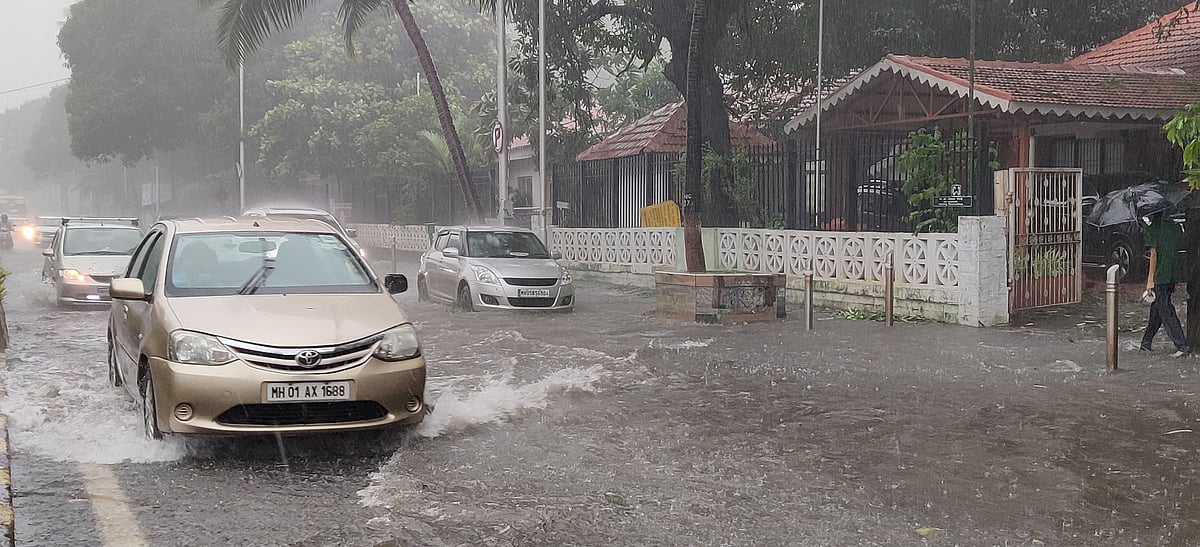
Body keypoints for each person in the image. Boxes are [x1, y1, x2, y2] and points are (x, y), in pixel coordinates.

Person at [1140, 211, 1190, 356]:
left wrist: (1150, 280)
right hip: (1172, 273)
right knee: (1158, 307)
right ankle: (1146, 342)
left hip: (1161, 275)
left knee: (1166, 309)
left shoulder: (1153, 229)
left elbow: (1154, 255)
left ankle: (1182, 345)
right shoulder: (1174, 227)